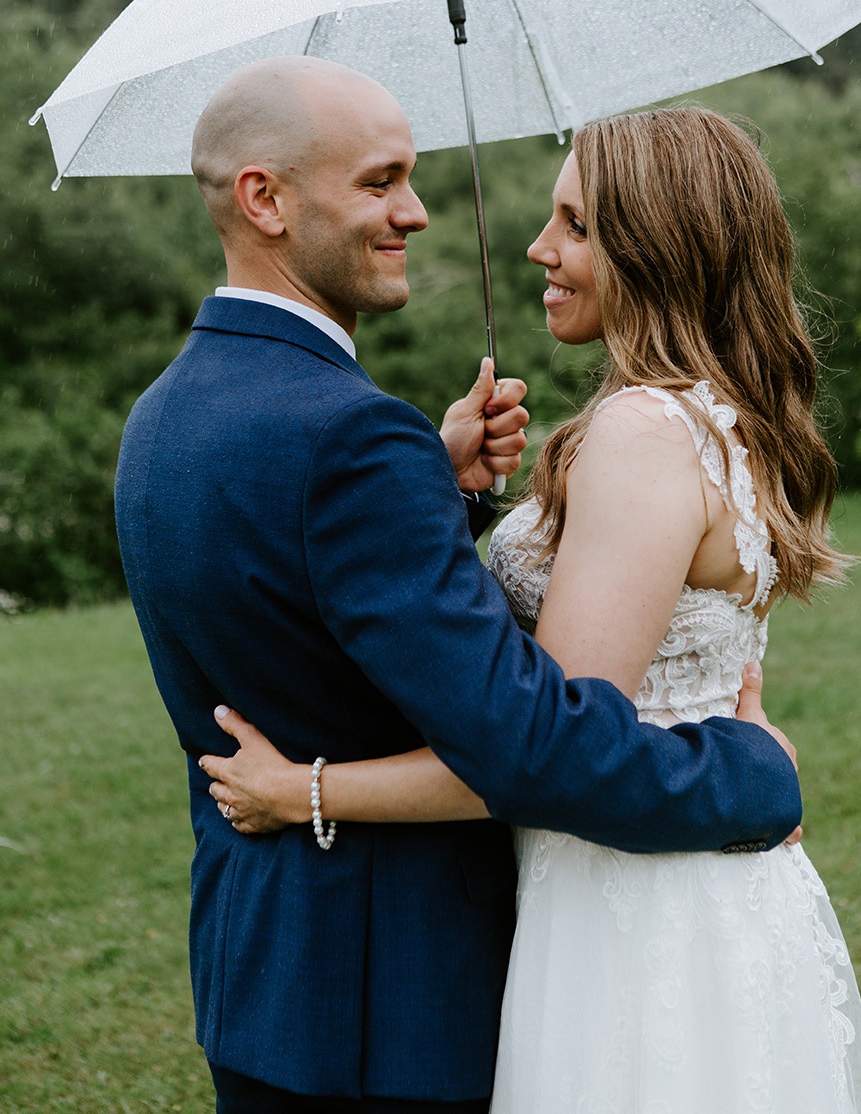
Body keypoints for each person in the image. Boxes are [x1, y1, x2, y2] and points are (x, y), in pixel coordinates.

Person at [115, 59, 801, 1114]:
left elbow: (295, 604)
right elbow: (534, 744)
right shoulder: (350, 435)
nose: (417, 212)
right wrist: (754, 773)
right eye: (382, 180)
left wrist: (432, 492)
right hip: (393, 1005)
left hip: (259, 978)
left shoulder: (166, 414)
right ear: (266, 199)